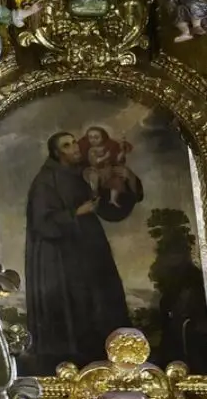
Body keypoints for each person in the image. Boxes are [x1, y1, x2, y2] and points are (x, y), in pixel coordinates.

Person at [22, 130, 139, 374]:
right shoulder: (45, 181)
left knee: (103, 301)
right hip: (63, 258)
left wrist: (126, 179)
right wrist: (75, 215)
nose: (75, 147)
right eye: (67, 145)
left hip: (90, 249)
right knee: (78, 306)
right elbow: (41, 222)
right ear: (57, 153)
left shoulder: (85, 173)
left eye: (75, 142)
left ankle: (115, 361)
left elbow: (110, 209)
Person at [78, 125, 139, 210]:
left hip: (109, 170)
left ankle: (115, 199)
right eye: (90, 137)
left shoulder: (110, 146)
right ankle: (94, 194)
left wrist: (122, 152)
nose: (93, 140)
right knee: (94, 178)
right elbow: (95, 162)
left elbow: (117, 159)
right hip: (96, 170)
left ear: (103, 137)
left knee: (117, 181)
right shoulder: (91, 150)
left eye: (96, 137)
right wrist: (105, 157)